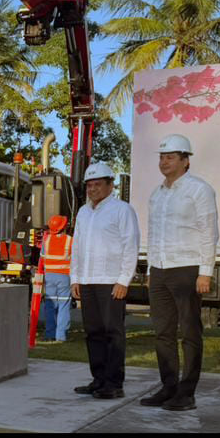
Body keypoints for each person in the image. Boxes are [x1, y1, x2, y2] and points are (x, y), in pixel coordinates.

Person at [141, 134, 218, 412]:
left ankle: (187, 393)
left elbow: (209, 232)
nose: (164, 162)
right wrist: (151, 267)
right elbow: (154, 233)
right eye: (162, 157)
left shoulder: (199, 190)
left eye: (171, 157)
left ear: (186, 161)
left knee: (189, 332)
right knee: (162, 331)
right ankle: (168, 387)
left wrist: (205, 272)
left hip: (187, 268)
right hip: (160, 269)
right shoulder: (156, 193)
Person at [69, 162, 139, 400]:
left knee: (113, 333)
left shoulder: (122, 210)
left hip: (111, 281)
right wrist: (75, 278)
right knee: (93, 332)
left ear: (111, 185)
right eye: (89, 185)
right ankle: (98, 379)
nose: (93, 189)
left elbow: (131, 246)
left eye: (98, 184)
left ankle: (114, 383)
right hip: (87, 281)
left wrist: (123, 280)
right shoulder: (83, 212)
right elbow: (77, 246)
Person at [37, 215, 73, 342]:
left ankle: (49, 334)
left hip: (49, 277)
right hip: (64, 277)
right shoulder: (70, 240)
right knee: (64, 305)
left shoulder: (46, 241)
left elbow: (42, 258)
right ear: (64, 227)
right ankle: (61, 336)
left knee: (50, 305)